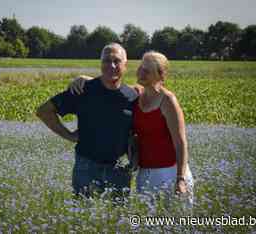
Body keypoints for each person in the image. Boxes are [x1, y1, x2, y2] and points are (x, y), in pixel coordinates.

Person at [69, 51, 194, 207]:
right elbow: (112, 84)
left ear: (160, 75)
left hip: (170, 171)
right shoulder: (137, 94)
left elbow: (180, 142)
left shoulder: (168, 100)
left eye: (147, 71)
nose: (141, 72)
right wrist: (84, 79)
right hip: (145, 173)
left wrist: (180, 179)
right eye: (141, 67)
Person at [36, 43, 138, 198]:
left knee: (117, 217)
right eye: (106, 61)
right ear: (100, 64)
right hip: (86, 167)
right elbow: (44, 111)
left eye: (117, 61)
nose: (111, 65)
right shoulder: (83, 90)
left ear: (125, 65)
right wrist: (69, 135)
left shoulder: (132, 96)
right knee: (82, 216)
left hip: (119, 169)